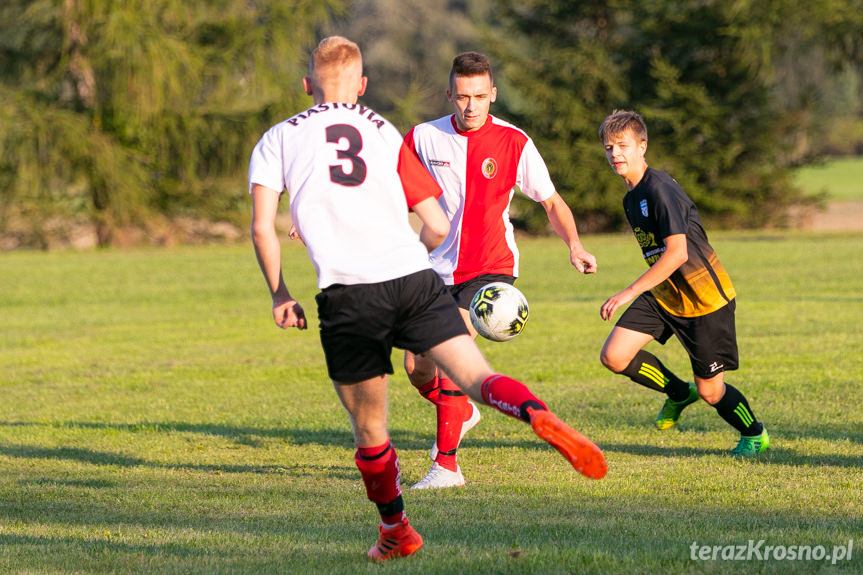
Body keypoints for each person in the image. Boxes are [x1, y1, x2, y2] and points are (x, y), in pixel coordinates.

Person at [249, 36, 607, 563]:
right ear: (363, 87)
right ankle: (533, 414)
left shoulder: (279, 138)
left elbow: (262, 228)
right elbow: (437, 224)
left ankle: (398, 528)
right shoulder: (389, 132)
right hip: (418, 277)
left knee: (371, 428)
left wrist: (281, 291)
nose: (470, 105)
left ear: (307, 87)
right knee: (470, 377)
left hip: (355, 293)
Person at [403, 51, 598, 490]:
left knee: (451, 356)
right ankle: (464, 410)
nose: (470, 106)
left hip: (490, 270)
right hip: (435, 271)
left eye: (479, 96)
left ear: (493, 94)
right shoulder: (421, 138)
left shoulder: (514, 141)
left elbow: (551, 201)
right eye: (462, 96)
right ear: (449, 94)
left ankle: (447, 468)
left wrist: (575, 245)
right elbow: (381, 186)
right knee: (416, 366)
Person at [596, 109, 769, 456]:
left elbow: (676, 253)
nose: (615, 153)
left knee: (711, 393)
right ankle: (677, 392)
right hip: (665, 294)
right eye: (608, 147)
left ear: (642, 146)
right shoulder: (630, 197)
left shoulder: (658, 189)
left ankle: (755, 433)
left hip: (703, 299)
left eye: (623, 145)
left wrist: (630, 291)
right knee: (614, 356)